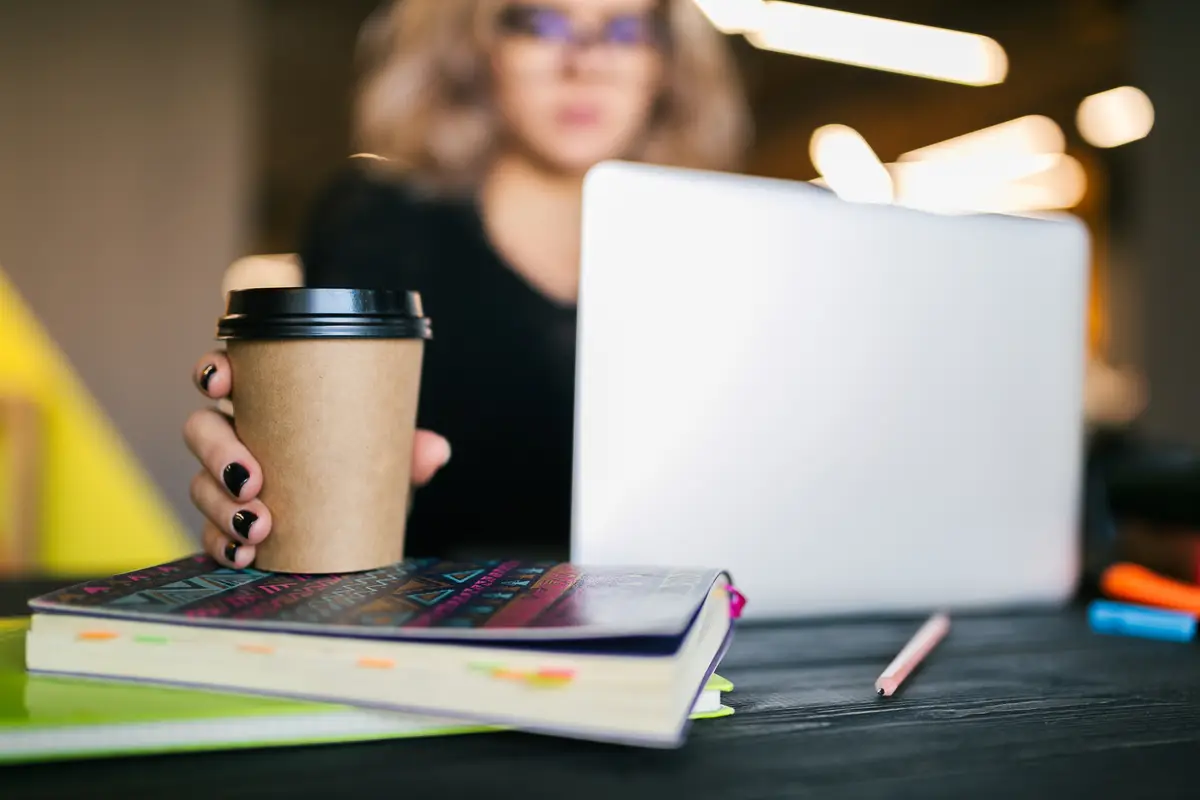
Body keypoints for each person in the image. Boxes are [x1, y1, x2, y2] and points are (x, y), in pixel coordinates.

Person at [183, 0, 752, 568]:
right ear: (475, 48)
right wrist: (278, 475)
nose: (588, 65)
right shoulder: (379, 221)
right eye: (542, 24)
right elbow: (324, 465)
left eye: (626, 31)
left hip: (689, 617)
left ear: (666, 64)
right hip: (427, 619)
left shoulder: (727, 247)